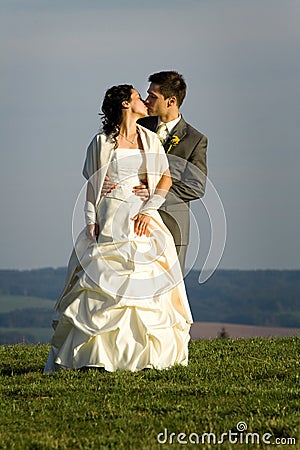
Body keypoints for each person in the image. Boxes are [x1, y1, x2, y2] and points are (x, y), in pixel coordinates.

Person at [44, 84, 193, 373]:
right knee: (99, 284)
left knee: (147, 278)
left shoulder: (150, 139)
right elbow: (92, 185)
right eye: (138, 97)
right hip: (110, 213)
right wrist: (91, 219)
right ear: (126, 104)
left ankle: (148, 358)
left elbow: (164, 179)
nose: (144, 101)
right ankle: (93, 356)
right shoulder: (101, 142)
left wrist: (149, 209)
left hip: (141, 213)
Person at [138, 71, 208, 272]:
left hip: (172, 226)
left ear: (171, 101)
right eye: (147, 94)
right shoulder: (137, 127)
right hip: (133, 223)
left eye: (153, 96)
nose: (146, 100)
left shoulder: (195, 140)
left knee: (167, 291)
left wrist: (156, 193)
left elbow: (196, 187)